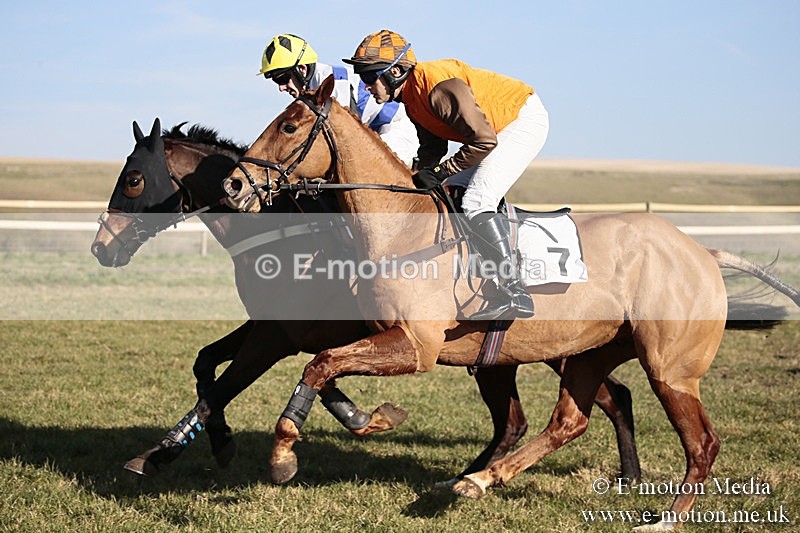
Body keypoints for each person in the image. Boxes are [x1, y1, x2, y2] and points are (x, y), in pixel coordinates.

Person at [344, 29, 550, 321]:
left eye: (369, 76)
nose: (366, 86)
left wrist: (441, 171)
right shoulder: (410, 97)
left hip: (521, 120)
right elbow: (433, 148)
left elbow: (484, 141)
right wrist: (417, 176)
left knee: (478, 200)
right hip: (490, 132)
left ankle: (515, 290)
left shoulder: (438, 89)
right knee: (445, 193)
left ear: (397, 71)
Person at [258, 33, 418, 166]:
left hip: (394, 130)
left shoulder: (334, 84)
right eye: (276, 81)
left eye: (282, 79)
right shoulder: (312, 88)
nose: (281, 88)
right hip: (373, 134)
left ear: (302, 69)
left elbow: (347, 140)